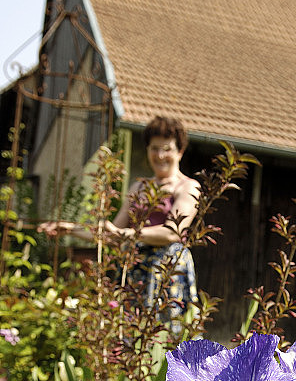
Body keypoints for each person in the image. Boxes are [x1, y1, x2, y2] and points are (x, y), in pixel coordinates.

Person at [39, 115, 199, 330]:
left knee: (167, 336)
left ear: (180, 151)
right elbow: (112, 234)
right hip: (136, 270)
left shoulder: (188, 187)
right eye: (154, 148)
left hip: (167, 270)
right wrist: (68, 229)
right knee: (132, 336)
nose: (160, 155)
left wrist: (126, 235)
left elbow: (172, 233)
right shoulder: (138, 188)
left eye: (167, 149)